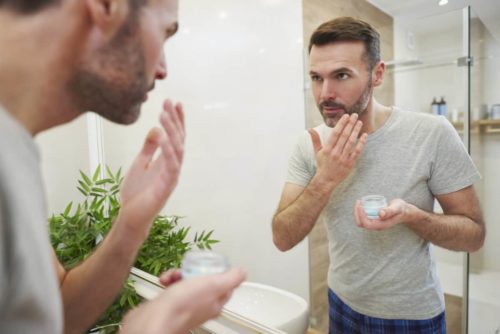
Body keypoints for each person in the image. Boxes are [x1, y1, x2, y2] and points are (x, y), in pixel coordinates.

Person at [0, 0, 245, 333]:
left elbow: (53, 315)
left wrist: (131, 223)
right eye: (164, 32)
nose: (162, 68)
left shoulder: (15, 145)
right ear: (106, 6)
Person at [272, 17, 485, 333]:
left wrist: (413, 216)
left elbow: (474, 234)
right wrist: (326, 178)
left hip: (412, 315)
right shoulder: (311, 144)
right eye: (316, 77)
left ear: (377, 74)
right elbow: (282, 236)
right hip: (341, 303)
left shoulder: (431, 133)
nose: (324, 93)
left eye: (341, 75)